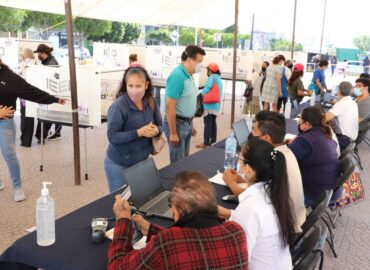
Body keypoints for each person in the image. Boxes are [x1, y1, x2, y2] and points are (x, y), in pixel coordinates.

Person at [108, 171, 248, 270]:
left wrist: (123, 221)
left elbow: (117, 266)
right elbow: (189, 243)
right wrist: (151, 229)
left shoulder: (167, 242)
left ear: (176, 210)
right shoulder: (236, 232)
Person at [218, 139, 295, 270]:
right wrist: (230, 213)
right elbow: (258, 224)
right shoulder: (273, 191)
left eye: (239, 159)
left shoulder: (250, 209)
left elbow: (236, 261)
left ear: (247, 169)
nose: (238, 164)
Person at [224, 111, 305, 232]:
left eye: (253, 129)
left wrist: (231, 183)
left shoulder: (273, 161)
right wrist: (244, 178)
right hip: (292, 219)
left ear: (266, 137)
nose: (250, 134)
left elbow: (259, 197)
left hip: (286, 228)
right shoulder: (282, 153)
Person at [0, 59, 66, 201]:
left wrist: (54, 99)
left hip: (4, 123)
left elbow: (31, 91)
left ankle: (17, 187)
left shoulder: (9, 77)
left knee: (9, 154)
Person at [104, 66, 163, 193]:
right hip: (119, 164)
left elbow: (160, 125)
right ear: (125, 85)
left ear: (146, 85)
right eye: (130, 86)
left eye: (138, 86)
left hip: (142, 162)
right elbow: (112, 136)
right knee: (121, 203)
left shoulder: (150, 101)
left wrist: (156, 131)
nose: (134, 91)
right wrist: (138, 132)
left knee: (144, 198)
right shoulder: (118, 106)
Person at [288, 106, 339, 206]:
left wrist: (274, 151)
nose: (298, 123)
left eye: (300, 121)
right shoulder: (325, 133)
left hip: (313, 195)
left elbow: (281, 160)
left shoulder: (305, 141)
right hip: (328, 191)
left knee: (273, 184)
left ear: (307, 124)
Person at [164, 45, 206, 163]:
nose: (201, 65)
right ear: (189, 60)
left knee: (184, 160)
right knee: (178, 163)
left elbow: (187, 102)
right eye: (199, 62)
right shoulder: (177, 76)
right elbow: (169, 106)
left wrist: (190, 124)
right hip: (177, 123)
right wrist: (173, 133)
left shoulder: (188, 75)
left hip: (185, 122)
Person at [34, 44, 62, 143]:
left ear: (43, 53)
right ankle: (45, 135)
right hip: (51, 91)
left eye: (39, 54)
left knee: (47, 115)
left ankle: (43, 136)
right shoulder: (49, 61)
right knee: (49, 114)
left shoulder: (51, 63)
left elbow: (55, 78)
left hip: (51, 91)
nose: (38, 56)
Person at [325, 81, 358, 151]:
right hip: (351, 137)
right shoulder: (353, 102)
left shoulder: (341, 104)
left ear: (339, 91)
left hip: (344, 140)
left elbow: (324, 119)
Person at [196, 63, 222, 149]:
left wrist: (200, 94)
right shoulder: (218, 78)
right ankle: (213, 142)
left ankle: (206, 143)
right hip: (216, 105)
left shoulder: (212, 77)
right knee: (213, 123)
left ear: (211, 71)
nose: (207, 71)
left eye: (208, 70)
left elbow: (206, 90)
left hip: (209, 105)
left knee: (207, 123)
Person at [19, 48, 37, 147]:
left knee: (25, 117)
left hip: (24, 93)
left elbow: (18, 76)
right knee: (30, 116)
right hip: (34, 94)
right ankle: (28, 140)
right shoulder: (36, 63)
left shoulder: (23, 64)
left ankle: (25, 141)